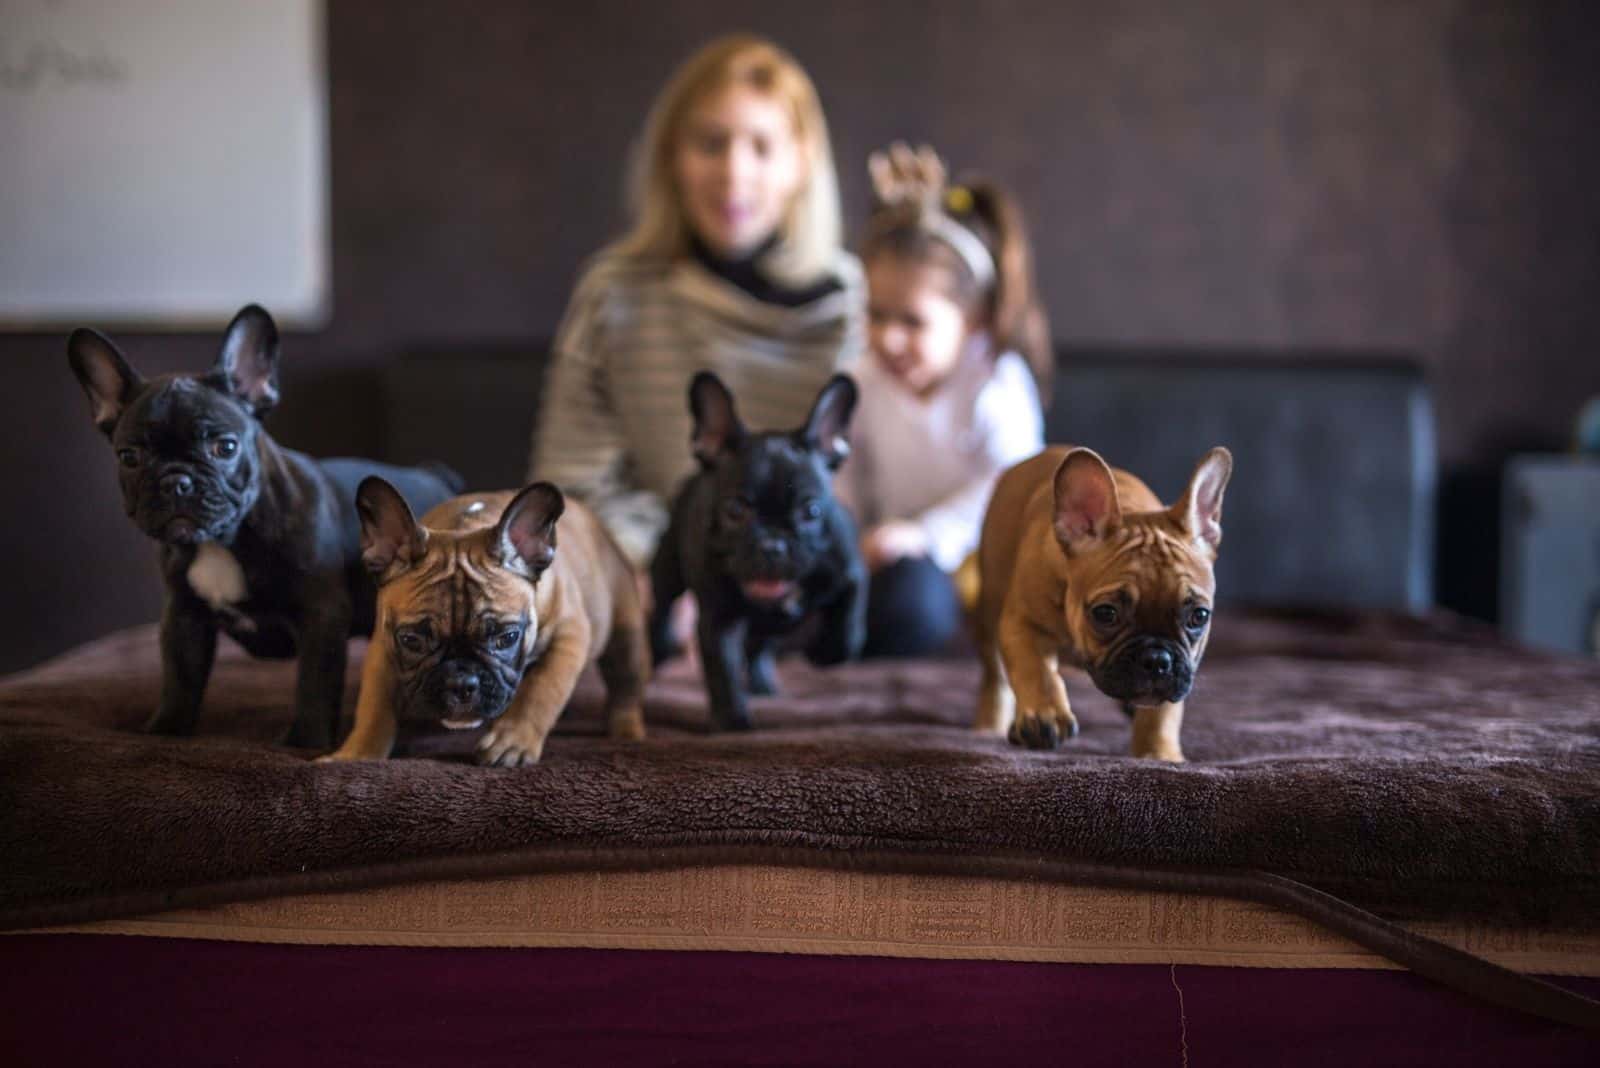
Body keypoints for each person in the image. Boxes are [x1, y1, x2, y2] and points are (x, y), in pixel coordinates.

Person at [530, 34, 862, 571]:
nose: (733, 172)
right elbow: (574, 484)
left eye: (761, 146)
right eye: (710, 143)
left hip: (809, 574)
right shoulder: (612, 294)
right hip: (651, 574)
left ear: (802, 160)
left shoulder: (852, 302)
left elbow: (861, 485)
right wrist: (676, 569)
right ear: (671, 157)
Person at [837, 143, 1052, 658]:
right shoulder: (861, 381)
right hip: (884, 548)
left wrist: (923, 535)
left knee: (915, 603)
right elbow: (845, 470)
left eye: (911, 321)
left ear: (972, 318)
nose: (888, 337)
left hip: (976, 553)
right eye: (876, 314)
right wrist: (843, 530)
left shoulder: (996, 381)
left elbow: (1007, 487)